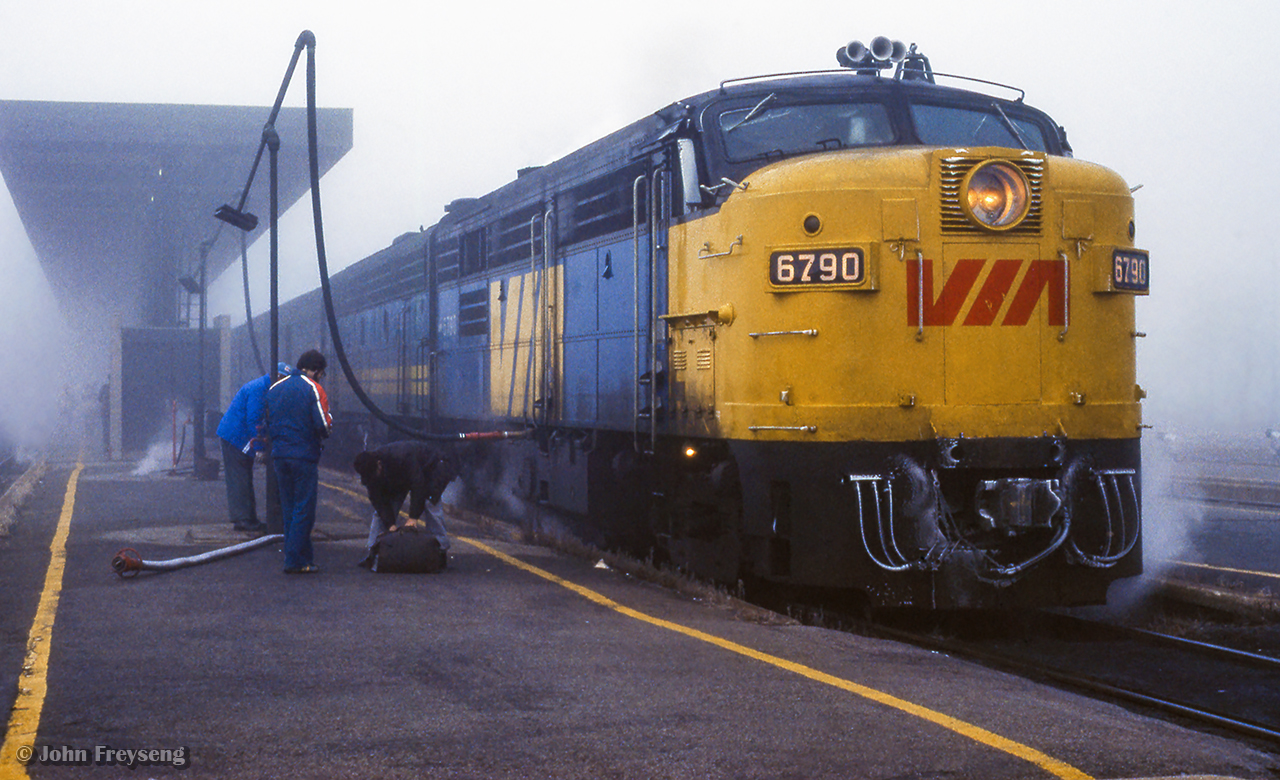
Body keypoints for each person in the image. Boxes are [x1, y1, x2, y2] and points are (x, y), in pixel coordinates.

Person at [266, 350, 332, 574]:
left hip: (279, 456)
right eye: (320, 374)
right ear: (314, 370)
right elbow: (323, 425)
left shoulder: (275, 388)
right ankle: (294, 561)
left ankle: (305, 559)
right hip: (303, 456)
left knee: (289, 508)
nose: (320, 378)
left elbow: (268, 421)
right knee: (304, 509)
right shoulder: (313, 388)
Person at [352, 441, 458, 569]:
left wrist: (413, 518)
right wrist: (390, 525)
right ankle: (373, 552)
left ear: (379, 464)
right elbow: (379, 502)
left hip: (432, 467)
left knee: (430, 503)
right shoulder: (370, 471)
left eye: (374, 475)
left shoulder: (402, 456)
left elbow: (418, 485)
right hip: (401, 477)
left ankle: (440, 550)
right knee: (381, 513)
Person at [216, 362, 291, 532]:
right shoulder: (259, 390)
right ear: (277, 377)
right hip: (235, 436)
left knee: (242, 477)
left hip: (237, 434)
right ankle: (243, 519)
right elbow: (254, 420)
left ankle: (246, 518)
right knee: (239, 477)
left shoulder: (263, 387)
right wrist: (258, 448)